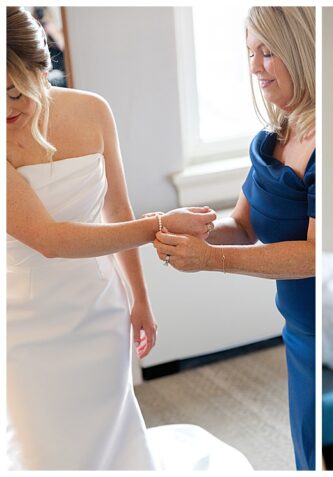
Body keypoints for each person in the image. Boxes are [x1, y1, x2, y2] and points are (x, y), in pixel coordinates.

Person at [6, 6, 246, 470]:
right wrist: (161, 225)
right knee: (41, 451)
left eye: (16, 92)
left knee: (110, 439)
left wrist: (139, 297)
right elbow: (50, 239)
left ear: (41, 70)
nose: (6, 107)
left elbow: (116, 209)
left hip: (98, 307)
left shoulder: (93, 111)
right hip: (24, 324)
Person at [152, 6, 316, 470]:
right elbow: (242, 227)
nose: (254, 67)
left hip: (319, 327)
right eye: (250, 52)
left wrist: (211, 261)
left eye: (267, 52)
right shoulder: (271, 137)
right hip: (297, 327)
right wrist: (188, 228)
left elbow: (312, 254)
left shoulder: (325, 146)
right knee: (306, 445)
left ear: (300, 50)